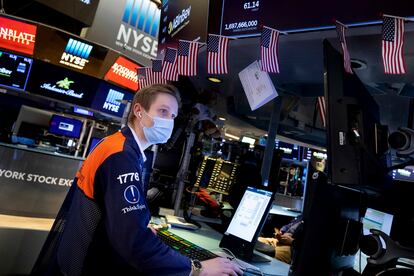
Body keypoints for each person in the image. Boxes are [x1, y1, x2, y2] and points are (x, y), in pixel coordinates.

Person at [32, 84, 242, 276]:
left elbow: (114, 214)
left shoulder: (117, 144)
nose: (168, 121)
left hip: (83, 256)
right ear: (139, 111)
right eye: (162, 111)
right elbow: (133, 241)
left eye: (172, 116)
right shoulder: (121, 156)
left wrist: (137, 225)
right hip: (91, 264)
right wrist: (198, 268)